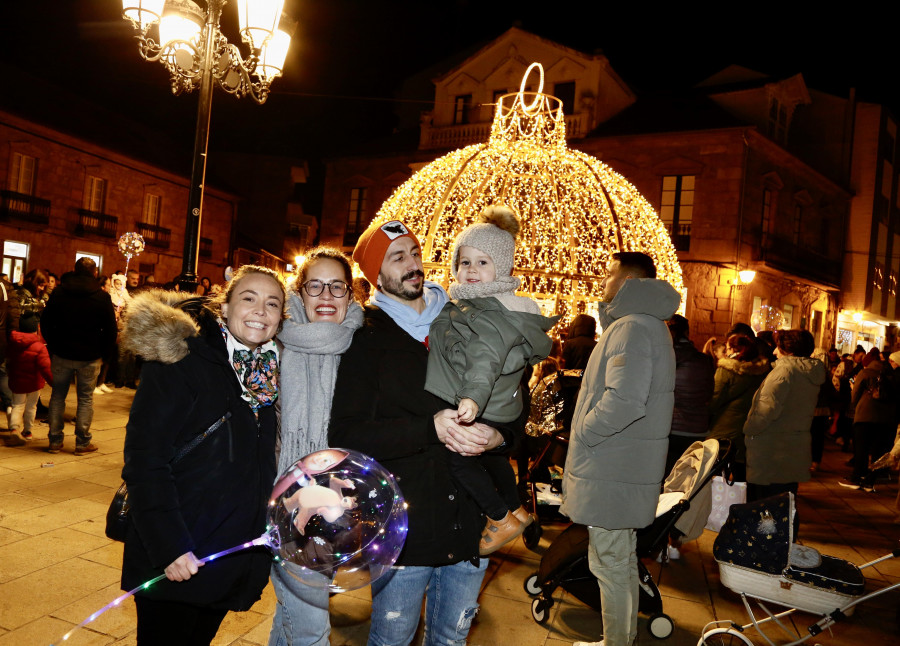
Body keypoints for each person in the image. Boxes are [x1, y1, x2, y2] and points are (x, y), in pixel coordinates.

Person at [330, 219, 515, 646]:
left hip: (472, 525)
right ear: (376, 275)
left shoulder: (466, 320)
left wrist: (500, 438)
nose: (413, 264)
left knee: (451, 639)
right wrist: (428, 428)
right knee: (392, 639)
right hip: (406, 532)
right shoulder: (365, 340)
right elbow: (348, 433)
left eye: (415, 252)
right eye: (398, 258)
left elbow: (511, 405)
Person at [119, 265, 285, 646]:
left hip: (227, 555)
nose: (261, 310)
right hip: (179, 551)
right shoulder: (183, 359)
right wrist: (169, 546)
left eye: (272, 303)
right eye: (249, 298)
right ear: (224, 308)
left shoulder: (270, 373)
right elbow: (145, 460)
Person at [561, 251, 680, 646]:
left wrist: (585, 433)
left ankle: (616, 643)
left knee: (609, 563)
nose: (603, 280)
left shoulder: (631, 327)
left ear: (629, 281)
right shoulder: (645, 325)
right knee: (620, 562)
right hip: (622, 466)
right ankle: (620, 640)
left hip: (612, 465)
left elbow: (626, 401)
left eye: (609, 273)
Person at [425, 206, 555, 554]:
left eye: (483, 263)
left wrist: (471, 398)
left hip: (478, 400)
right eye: (465, 262)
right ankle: (516, 508)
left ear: (503, 267)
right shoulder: (488, 305)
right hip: (499, 406)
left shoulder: (489, 311)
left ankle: (499, 517)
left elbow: (485, 357)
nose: (471, 270)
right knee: (493, 459)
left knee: (457, 456)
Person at [268, 247, 364, 646]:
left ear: (351, 295)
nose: (326, 296)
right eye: (315, 286)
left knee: (291, 619)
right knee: (310, 630)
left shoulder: (367, 349)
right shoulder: (272, 343)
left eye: (337, 286)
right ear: (299, 293)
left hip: (339, 504)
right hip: (284, 500)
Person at [41, 257, 117, 455]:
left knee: (58, 396)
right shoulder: (101, 297)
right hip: (90, 355)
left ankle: (55, 441)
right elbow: (110, 329)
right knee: (85, 399)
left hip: (62, 352)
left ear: (74, 270)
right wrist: (105, 354)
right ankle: (82, 443)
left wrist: (53, 345)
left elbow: (46, 321)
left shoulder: (59, 292)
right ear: (94, 273)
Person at [743, 330, 826, 502]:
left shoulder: (784, 373)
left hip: (773, 450)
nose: (774, 352)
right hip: (792, 447)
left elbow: (766, 409)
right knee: (785, 505)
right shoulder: (807, 373)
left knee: (766, 506)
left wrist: (749, 429)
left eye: (778, 348)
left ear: (788, 350)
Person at [706, 334, 770, 480]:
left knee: (716, 474)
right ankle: (740, 500)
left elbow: (715, 398)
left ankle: (717, 502)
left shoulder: (726, 370)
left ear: (736, 350)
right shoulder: (762, 372)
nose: (727, 352)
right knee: (741, 473)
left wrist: (706, 413)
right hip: (749, 426)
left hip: (724, 428)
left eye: (728, 348)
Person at [838, 347, 897, 492]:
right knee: (878, 450)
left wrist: (855, 402)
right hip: (887, 418)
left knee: (861, 448)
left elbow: (855, 395)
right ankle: (870, 481)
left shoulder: (866, 372)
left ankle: (857, 477)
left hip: (865, 415)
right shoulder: (892, 375)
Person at [664, 314, 714, 476]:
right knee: (687, 478)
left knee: (666, 475)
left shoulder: (666, 359)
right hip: (697, 428)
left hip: (670, 425)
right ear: (687, 332)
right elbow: (709, 393)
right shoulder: (703, 360)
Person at [7, 314, 53, 442]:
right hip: (34, 382)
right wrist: (53, 382)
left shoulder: (13, 342)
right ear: (36, 328)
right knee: (32, 406)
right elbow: (45, 367)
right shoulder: (39, 347)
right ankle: (27, 431)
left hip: (17, 381)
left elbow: (9, 360)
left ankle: (14, 429)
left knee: (17, 404)